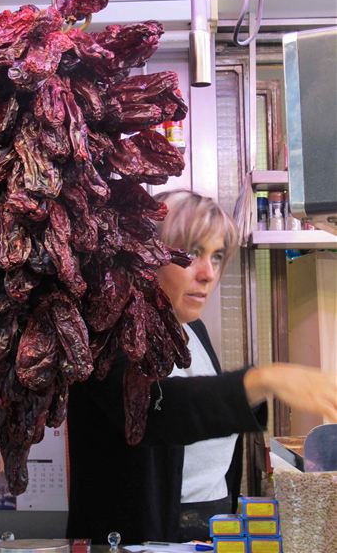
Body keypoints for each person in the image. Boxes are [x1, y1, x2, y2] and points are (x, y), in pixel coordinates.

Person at [66, 190, 337, 545]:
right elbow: (156, 410)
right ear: (146, 257)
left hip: (207, 532)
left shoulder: (192, 329)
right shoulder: (105, 333)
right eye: (192, 254)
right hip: (134, 538)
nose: (208, 273)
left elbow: (208, 427)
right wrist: (261, 379)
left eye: (217, 256)